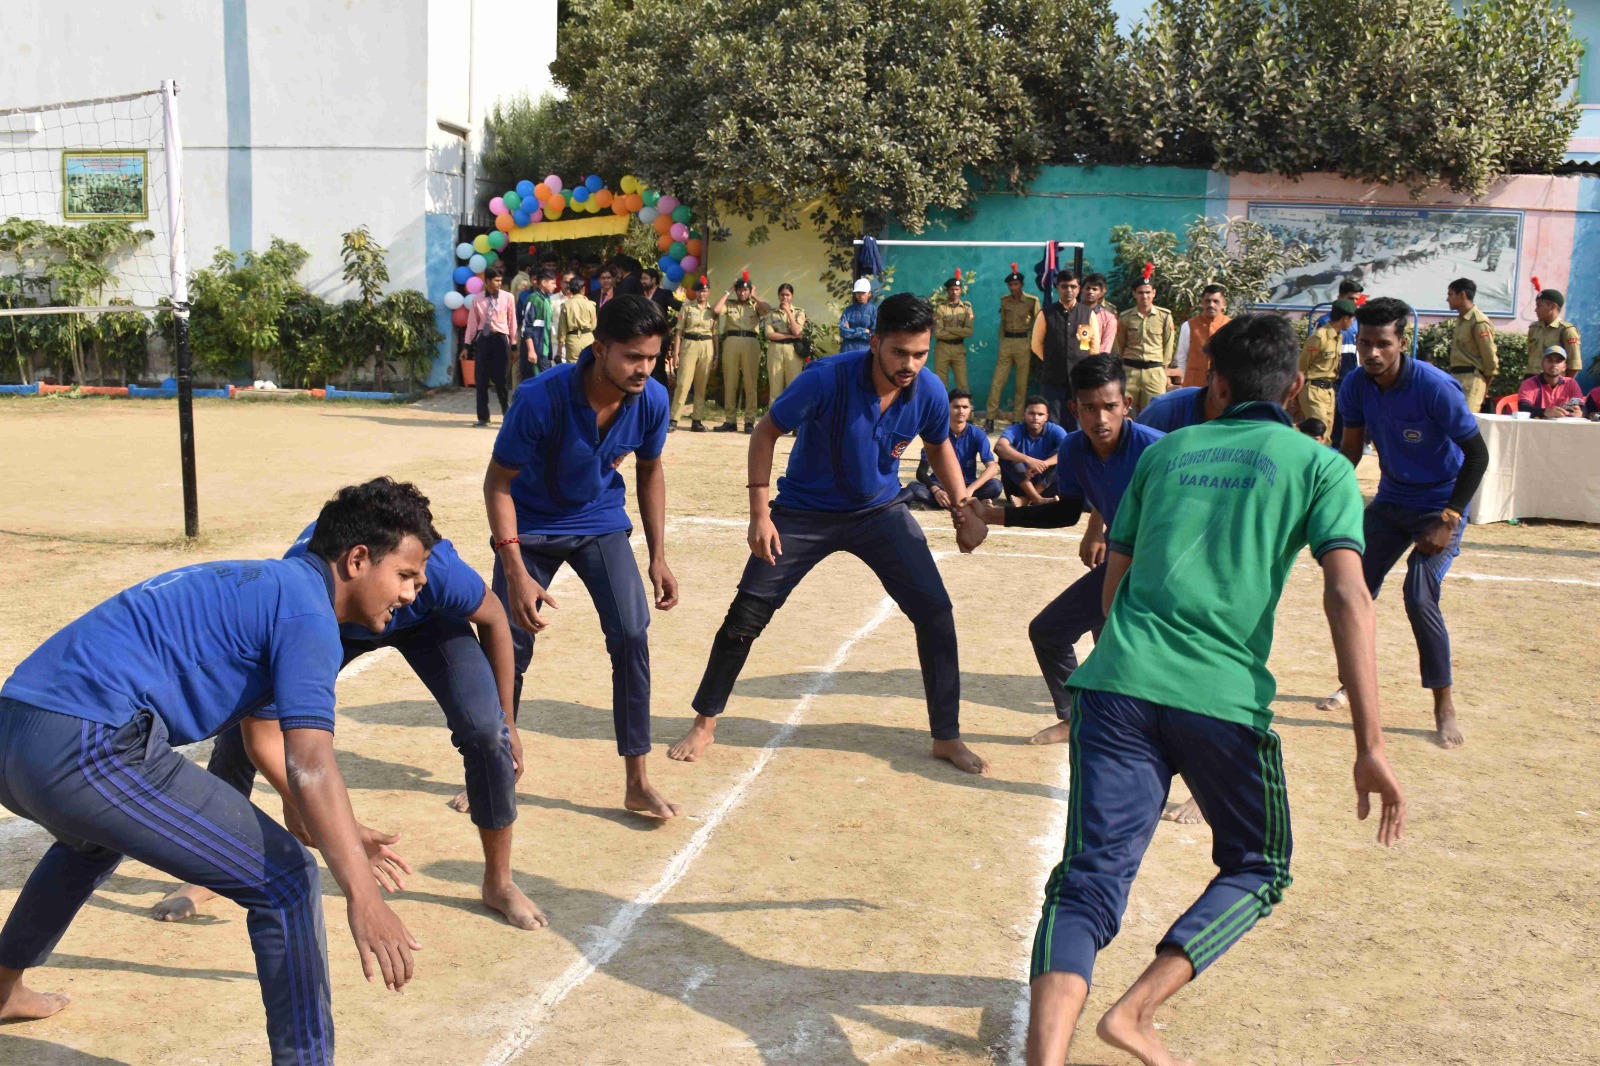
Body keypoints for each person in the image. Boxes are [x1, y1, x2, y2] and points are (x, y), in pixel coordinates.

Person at [1023, 314, 1405, 1066]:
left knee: (1089, 877)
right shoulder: (1320, 465)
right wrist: (1371, 743)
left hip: (1117, 686)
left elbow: (1113, 582)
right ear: (1295, 387)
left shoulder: (1165, 456)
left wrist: (1131, 662)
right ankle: (1135, 1012)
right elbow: (1347, 598)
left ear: (1214, 386)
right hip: (1219, 700)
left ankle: (1045, 1059)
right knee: (1260, 864)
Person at [0, 478, 435, 1064]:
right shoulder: (309, 617)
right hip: (86, 743)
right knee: (287, 879)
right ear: (357, 560)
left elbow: (268, 740)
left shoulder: (270, 586)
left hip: (15, 733)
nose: (415, 591)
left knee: (91, 843)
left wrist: (342, 830)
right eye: (407, 575)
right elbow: (312, 762)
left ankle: (1, 987)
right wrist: (362, 893)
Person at [150, 520, 544, 931]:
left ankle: (498, 882)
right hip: (341, 617)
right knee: (237, 733)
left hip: (429, 624)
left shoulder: (433, 574)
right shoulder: (303, 593)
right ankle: (210, 869)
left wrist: (508, 722)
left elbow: (495, 618)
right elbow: (263, 729)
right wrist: (294, 797)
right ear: (356, 562)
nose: (413, 583)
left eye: (417, 574)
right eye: (405, 574)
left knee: (487, 731)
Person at [668, 293, 990, 776]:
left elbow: (940, 445)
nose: (910, 364)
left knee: (936, 614)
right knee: (745, 616)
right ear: (876, 342)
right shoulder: (826, 378)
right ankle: (705, 722)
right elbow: (764, 433)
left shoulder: (929, 391)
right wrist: (760, 513)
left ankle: (946, 736)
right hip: (803, 512)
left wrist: (963, 510)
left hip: (880, 512)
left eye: (920, 354)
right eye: (899, 352)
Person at [486, 295, 682, 818]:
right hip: (529, 527)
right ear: (599, 350)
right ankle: (493, 769)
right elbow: (497, 484)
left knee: (632, 633)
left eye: (652, 357)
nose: (643, 369)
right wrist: (515, 570)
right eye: (632, 357)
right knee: (507, 646)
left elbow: (649, 470)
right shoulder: (540, 398)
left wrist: (658, 555)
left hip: (598, 522)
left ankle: (637, 781)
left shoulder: (653, 400)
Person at [961, 355, 1161, 750]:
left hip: (1165, 570)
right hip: (1122, 562)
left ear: (1127, 405)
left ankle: (1188, 758)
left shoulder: (1157, 450)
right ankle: (1076, 720)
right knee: (1050, 632)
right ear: (1074, 409)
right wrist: (992, 515)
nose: (1100, 418)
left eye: (1110, 406)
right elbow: (1067, 510)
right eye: (1089, 408)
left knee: (1134, 651)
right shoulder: (1073, 448)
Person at [1324, 296, 1490, 749]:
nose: (1372, 354)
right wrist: (1325, 499)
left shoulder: (1435, 387)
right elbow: (1351, 453)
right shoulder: (1356, 386)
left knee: (1419, 594)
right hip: (1392, 500)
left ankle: (1443, 704)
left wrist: (1450, 518)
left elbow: (1477, 455)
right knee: (1348, 587)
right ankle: (1350, 682)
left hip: (1439, 506)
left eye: (1382, 344)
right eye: (1364, 344)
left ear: (1402, 342)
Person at [907, 388, 1001, 509]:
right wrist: (936, 491)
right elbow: (921, 472)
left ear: (970, 409)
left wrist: (970, 490)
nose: (961, 411)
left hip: (967, 485)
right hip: (941, 485)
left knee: (995, 486)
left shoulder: (978, 434)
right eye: (956, 406)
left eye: (965, 407)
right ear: (948, 407)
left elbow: (992, 468)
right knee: (914, 488)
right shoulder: (936, 432)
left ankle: (945, 503)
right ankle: (967, 502)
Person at [1033, 271, 1100, 428]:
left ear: (1078, 289)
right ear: (1058, 288)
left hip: (1080, 379)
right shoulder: (1046, 314)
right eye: (1064, 286)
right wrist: (1052, 361)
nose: (1069, 290)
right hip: (1053, 379)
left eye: (1073, 286)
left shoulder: (1087, 314)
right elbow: (1036, 344)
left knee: (1078, 421)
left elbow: (1094, 346)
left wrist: (1084, 367)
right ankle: (1055, 452)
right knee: (1053, 422)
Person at [986, 266, 1041, 430]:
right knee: (997, 382)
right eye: (1010, 285)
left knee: (1021, 384)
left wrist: (1032, 344)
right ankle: (989, 419)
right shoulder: (1005, 301)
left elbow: (1038, 324)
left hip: (1023, 342)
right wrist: (1002, 342)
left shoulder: (1032, 301)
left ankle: (1017, 419)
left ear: (1022, 285)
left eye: (1016, 284)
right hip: (1007, 343)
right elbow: (1003, 323)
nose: (1013, 287)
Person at [463, 265, 519, 427]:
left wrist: (513, 345)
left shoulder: (507, 297)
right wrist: (466, 345)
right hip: (484, 340)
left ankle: (506, 413)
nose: (499, 283)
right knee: (481, 379)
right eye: (496, 280)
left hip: (501, 339)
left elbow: (512, 321)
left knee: (501, 380)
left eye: (500, 280)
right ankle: (483, 416)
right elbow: (472, 324)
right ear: (487, 281)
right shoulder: (477, 299)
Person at [1114, 270, 1175, 413]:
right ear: (1134, 294)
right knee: (1122, 411)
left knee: (1156, 412)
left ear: (1154, 293)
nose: (1145, 296)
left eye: (1148, 292)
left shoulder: (1164, 316)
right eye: (1140, 292)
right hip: (1130, 372)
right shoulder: (1126, 317)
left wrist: (1163, 371)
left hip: (1154, 372)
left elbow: (1168, 346)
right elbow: (1119, 345)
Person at [713, 276, 769, 433]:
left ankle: (749, 421)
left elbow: (767, 310)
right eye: (739, 290)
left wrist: (755, 295)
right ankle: (730, 420)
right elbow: (716, 310)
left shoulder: (755, 305)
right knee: (730, 381)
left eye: (745, 290)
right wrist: (729, 290)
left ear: (750, 290)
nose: (742, 293)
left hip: (750, 341)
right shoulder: (729, 303)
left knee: (750, 382)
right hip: (731, 340)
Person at [1298, 299, 1356, 442]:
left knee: (1327, 435)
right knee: (1317, 434)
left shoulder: (1338, 336)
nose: (1353, 322)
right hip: (1314, 390)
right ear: (1345, 318)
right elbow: (1302, 366)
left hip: (1328, 391)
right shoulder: (1319, 337)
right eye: (1352, 318)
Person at [995, 397, 1068, 505]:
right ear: (1024, 414)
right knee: (1007, 455)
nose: (1035, 417)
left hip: (1046, 487)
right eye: (1031, 413)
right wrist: (1028, 460)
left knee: (1064, 455)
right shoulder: (1016, 429)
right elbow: (999, 447)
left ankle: (1027, 499)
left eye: (1040, 414)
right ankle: (1036, 499)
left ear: (1046, 417)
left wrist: (1044, 464)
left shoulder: (1055, 430)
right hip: (1018, 487)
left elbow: (1069, 450)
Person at [1445, 277, 1498, 413]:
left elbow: (1490, 361)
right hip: (1455, 378)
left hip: (1472, 380)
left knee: (1466, 423)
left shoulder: (1479, 322)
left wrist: (1484, 386)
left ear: (1462, 295)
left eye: (1450, 294)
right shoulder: (1462, 320)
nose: (1447, 299)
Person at [673, 276, 716, 431]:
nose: (701, 294)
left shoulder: (712, 311)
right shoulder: (687, 307)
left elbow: (715, 334)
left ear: (709, 292)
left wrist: (716, 355)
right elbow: (679, 331)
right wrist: (675, 353)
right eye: (698, 291)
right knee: (683, 383)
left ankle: (696, 420)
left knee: (701, 384)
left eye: (704, 291)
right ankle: (674, 418)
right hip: (689, 344)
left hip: (706, 345)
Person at [1174, 284, 1230, 389]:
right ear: (1202, 303)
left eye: (1216, 301)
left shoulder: (1231, 326)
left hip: (1221, 385)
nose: (1211, 305)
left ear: (1223, 304)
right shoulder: (1189, 326)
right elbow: (1182, 356)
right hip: (1193, 384)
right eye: (1207, 301)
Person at [640, 268, 680, 394]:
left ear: (654, 280)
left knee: (658, 367)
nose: (642, 281)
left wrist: (671, 324)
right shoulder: (640, 296)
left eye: (645, 279)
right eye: (642, 279)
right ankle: (646, 395)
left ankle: (662, 395)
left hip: (660, 337)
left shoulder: (663, 294)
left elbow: (681, 307)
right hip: (644, 337)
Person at [765, 283, 809, 400]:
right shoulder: (771, 313)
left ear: (792, 296)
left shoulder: (799, 312)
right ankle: (774, 417)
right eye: (782, 295)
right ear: (778, 296)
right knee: (775, 387)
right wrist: (789, 335)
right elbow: (770, 335)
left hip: (793, 350)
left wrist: (789, 312)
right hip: (775, 349)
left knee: (793, 386)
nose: (785, 297)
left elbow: (797, 332)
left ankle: (792, 417)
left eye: (787, 295)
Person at [933, 275, 975, 392]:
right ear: (947, 291)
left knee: (962, 383)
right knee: (940, 384)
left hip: (958, 349)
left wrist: (949, 329)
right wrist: (960, 331)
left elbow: (969, 331)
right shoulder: (941, 308)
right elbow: (938, 333)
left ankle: (966, 409)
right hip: (943, 348)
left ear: (961, 290)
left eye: (956, 289)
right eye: (951, 289)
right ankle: (941, 410)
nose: (954, 292)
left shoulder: (967, 308)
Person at [1516, 346, 1585, 418]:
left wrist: (1580, 413)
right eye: (1549, 360)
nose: (1554, 365)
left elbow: (1582, 407)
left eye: (1558, 361)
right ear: (1542, 363)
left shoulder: (1571, 383)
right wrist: (1545, 412)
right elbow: (1524, 408)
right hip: (1536, 427)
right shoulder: (1529, 383)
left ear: (1564, 366)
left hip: (1564, 427)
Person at [1526, 288, 1582, 374]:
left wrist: (1563, 386)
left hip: (1551, 382)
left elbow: (1574, 365)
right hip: (1530, 380)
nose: (1535, 310)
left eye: (1539, 306)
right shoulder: (1534, 328)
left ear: (1552, 306)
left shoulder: (1567, 330)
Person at [519, 268, 560, 379]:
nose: (555, 286)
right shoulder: (533, 299)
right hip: (536, 348)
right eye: (553, 283)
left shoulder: (547, 299)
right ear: (543, 283)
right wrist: (531, 350)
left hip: (544, 349)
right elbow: (526, 327)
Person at [555, 274, 597, 365]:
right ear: (583, 289)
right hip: (588, 338)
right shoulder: (591, 304)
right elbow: (593, 325)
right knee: (589, 366)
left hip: (573, 341)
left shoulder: (566, 305)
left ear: (570, 290)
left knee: (573, 367)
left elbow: (562, 330)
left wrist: (559, 350)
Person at [1083, 273, 1117, 355]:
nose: (1090, 292)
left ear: (1102, 293)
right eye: (1087, 288)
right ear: (1081, 289)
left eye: (1094, 289)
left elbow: (1106, 345)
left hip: (1096, 361)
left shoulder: (1108, 318)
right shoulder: (1073, 312)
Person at [839, 277, 878, 348]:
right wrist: (864, 331)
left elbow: (874, 336)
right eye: (858, 293)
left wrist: (851, 331)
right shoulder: (848, 311)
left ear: (869, 293)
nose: (861, 296)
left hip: (865, 352)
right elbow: (843, 332)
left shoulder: (873, 311)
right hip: (848, 350)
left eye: (863, 293)